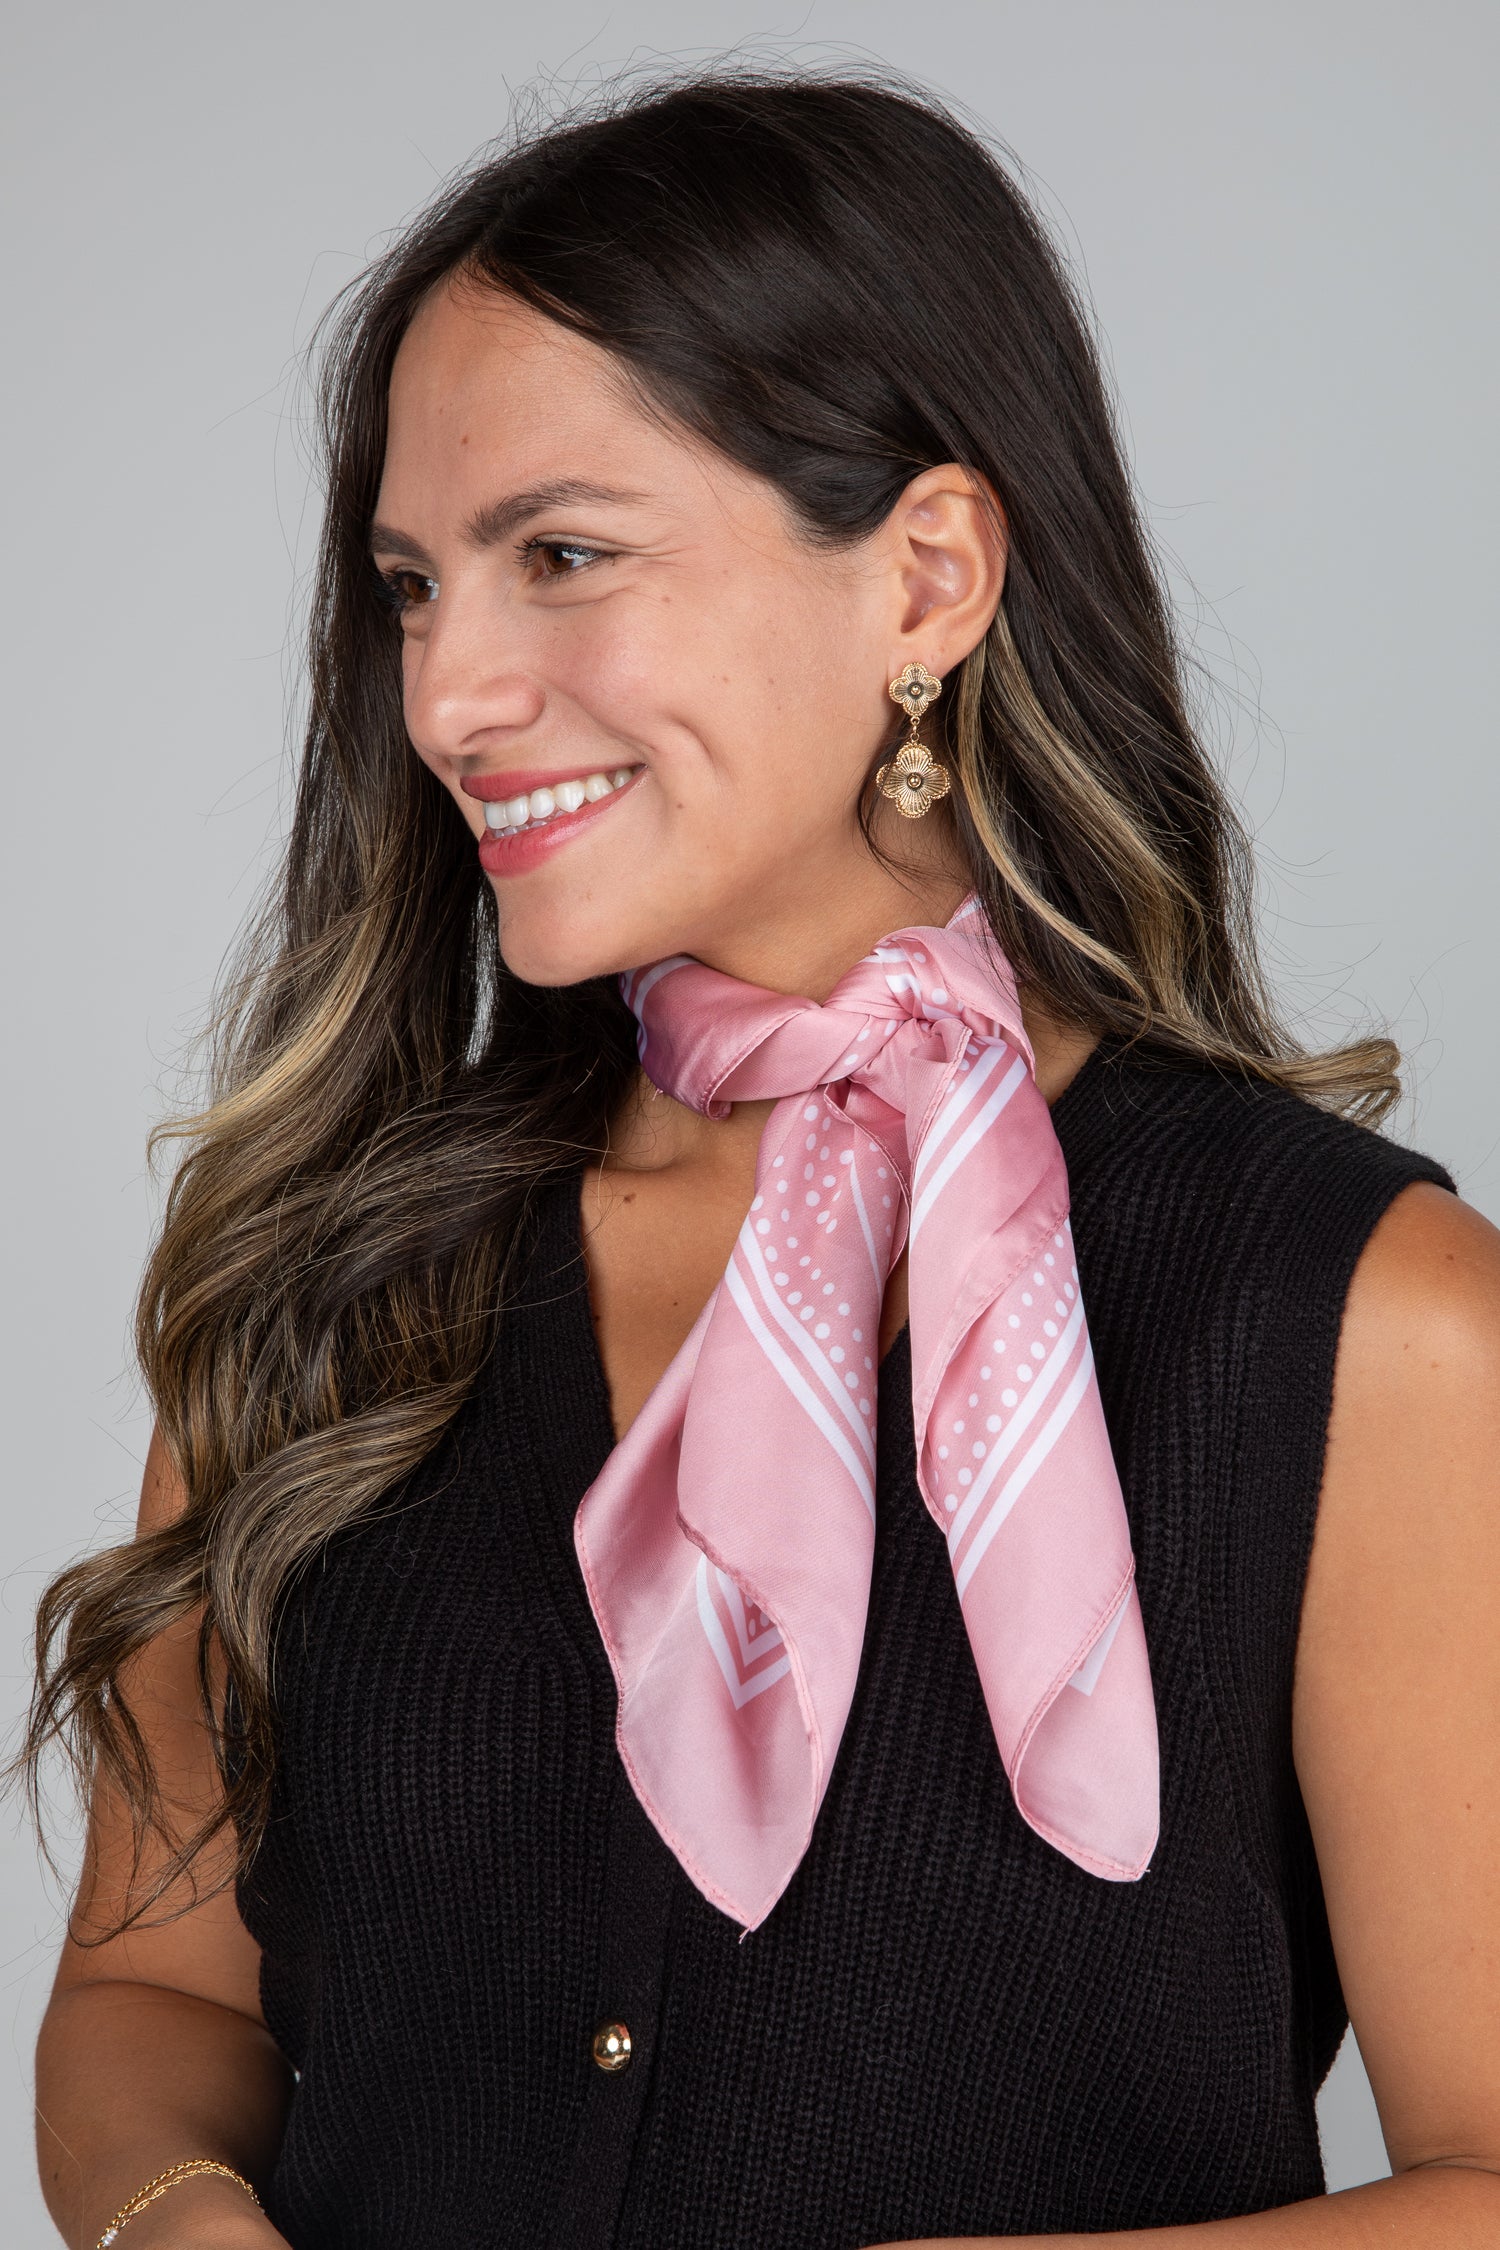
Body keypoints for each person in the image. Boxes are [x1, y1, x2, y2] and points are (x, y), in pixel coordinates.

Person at [21, 68, 1500, 2250]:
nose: (447, 694)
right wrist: (178, 2226)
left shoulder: (1367, 1324)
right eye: (417, 587)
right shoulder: (324, 1296)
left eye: (565, 556)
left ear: (925, 575)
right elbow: (150, 1987)